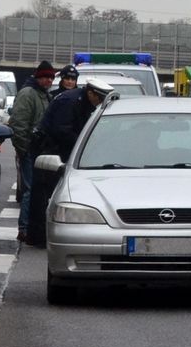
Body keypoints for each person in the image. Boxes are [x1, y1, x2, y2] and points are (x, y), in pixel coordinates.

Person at [27, 77, 113, 247]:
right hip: (50, 151)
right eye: (100, 98)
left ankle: (39, 235)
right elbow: (62, 131)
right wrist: (84, 145)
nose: (100, 102)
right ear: (91, 93)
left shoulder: (82, 101)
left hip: (61, 150)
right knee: (45, 195)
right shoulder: (70, 101)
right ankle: (37, 237)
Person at [8, 61, 57, 242]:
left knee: (35, 190)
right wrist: (24, 149)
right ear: (38, 77)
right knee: (29, 190)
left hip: (38, 150)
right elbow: (18, 123)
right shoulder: (29, 94)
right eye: (45, 77)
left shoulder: (43, 95)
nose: (48, 80)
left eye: (51, 77)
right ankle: (24, 229)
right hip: (30, 150)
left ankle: (30, 228)